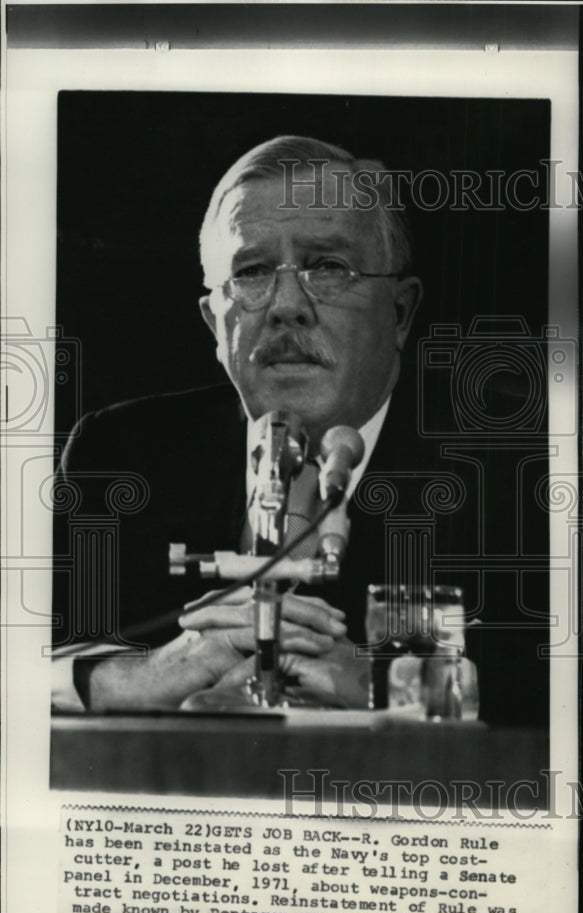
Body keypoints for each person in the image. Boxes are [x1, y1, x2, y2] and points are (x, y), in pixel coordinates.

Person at [53, 135, 548, 724]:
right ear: (216, 322)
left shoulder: (525, 467)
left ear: (400, 312)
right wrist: (136, 676)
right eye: (253, 271)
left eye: (328, 267)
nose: (288, 305)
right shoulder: (120, 452)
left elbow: (555, 694)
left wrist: (383, 684)